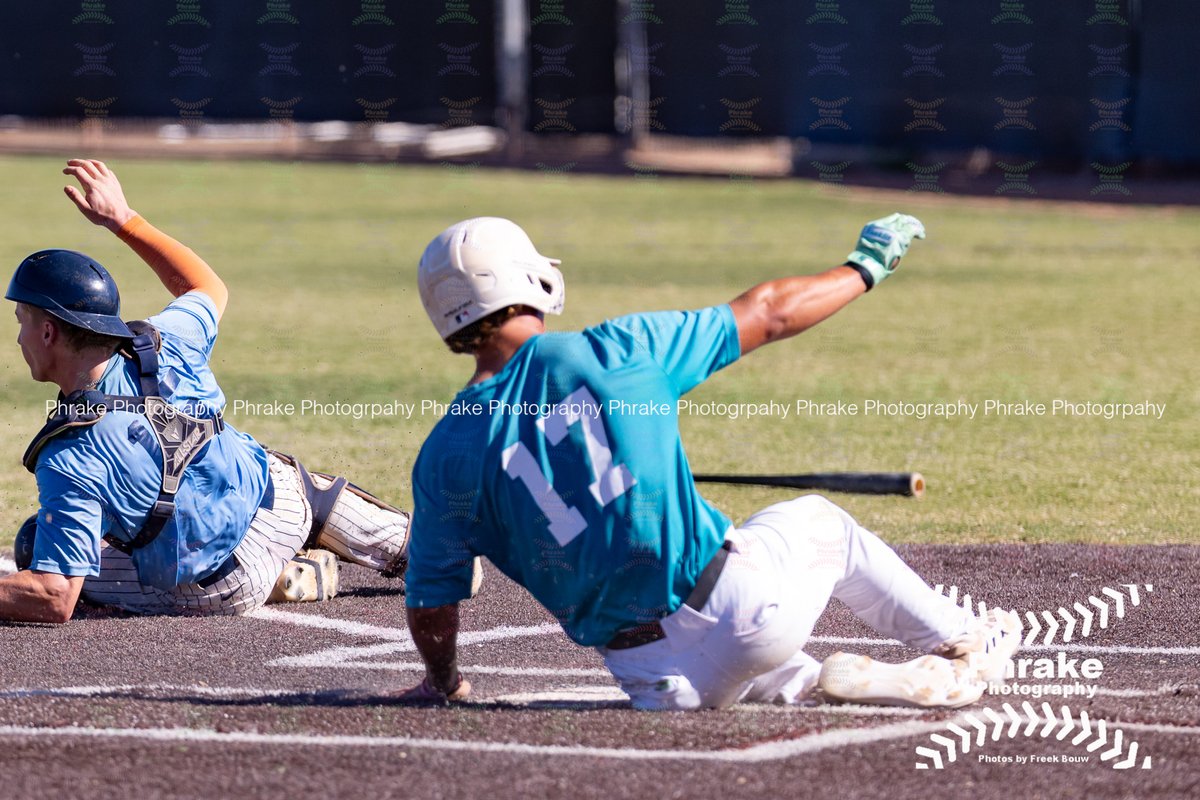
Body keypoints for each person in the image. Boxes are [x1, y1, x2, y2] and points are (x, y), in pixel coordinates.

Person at [400, 214, 1022, 710]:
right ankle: (964, 639)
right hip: (743, 611)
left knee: (756, 665)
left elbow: (431, 603)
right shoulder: (614, 351)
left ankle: (825, 680)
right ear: (527, 280)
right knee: (820, 521)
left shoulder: (443, 456)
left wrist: (444, 682)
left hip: (654, 679)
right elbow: (771, 312)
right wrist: (865, 267)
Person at [0, 159, 418, 624]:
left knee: (38, 544)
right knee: (279, 472)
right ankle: (416, 546)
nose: (18, 338)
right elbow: (206, 286)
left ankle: (280, 580)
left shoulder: (69, 455)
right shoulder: (165, 342)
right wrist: (123, 219)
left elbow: (54, 596)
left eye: (22, 322)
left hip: (225, 588)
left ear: (49, 333)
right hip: (281, 511)